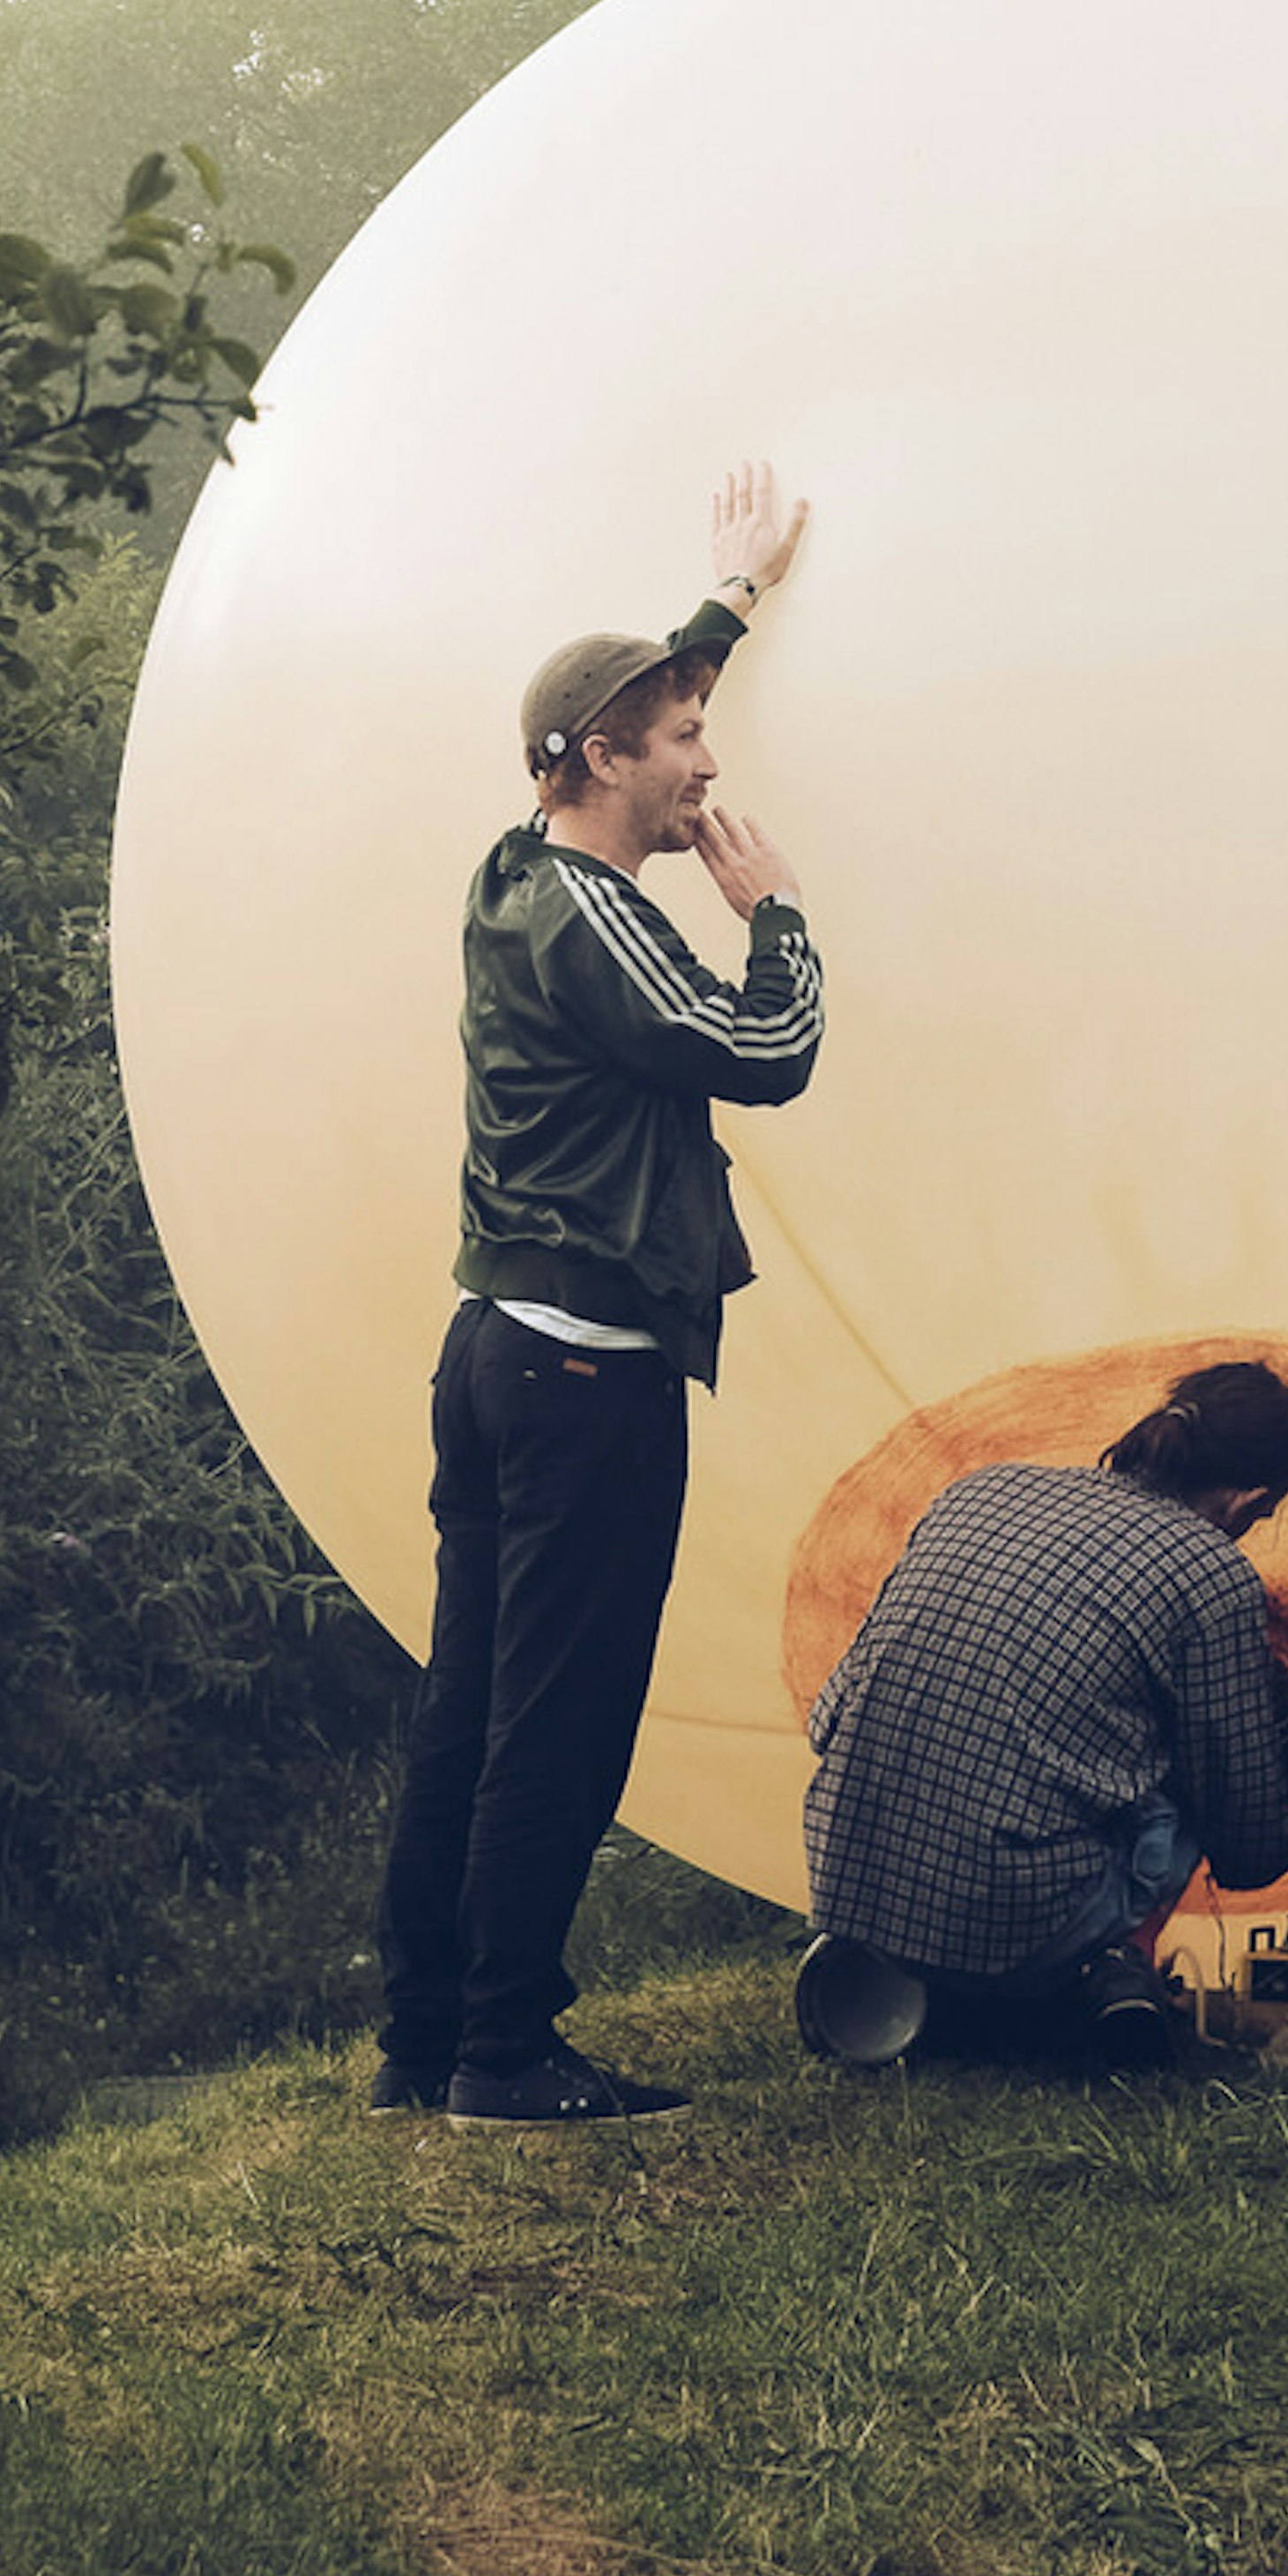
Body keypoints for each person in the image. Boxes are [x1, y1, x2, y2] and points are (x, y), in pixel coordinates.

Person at [373, 459, 821, 2126]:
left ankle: (424, 2040)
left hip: (497, 1350)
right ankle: (505, 2047)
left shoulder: (515, 862)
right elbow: (764, 1051)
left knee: (471, 1702)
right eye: (681, 734)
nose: (709, 752)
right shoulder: (595, 917)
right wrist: (774, 914)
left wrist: (731, 598)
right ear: (606, 767)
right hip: (584, 1374)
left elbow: (603, 718)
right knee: (559, 1718)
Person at [799, 1358, 1288, 2071]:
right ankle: (1110, 1974)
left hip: (846, 1885)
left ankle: (904, 1974)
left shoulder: (983, 1488)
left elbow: (830, 1715)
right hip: (1008, 1921)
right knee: (1187, 1779)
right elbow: (1250, 1842)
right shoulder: (1209, 1571)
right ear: (1251, 1499)